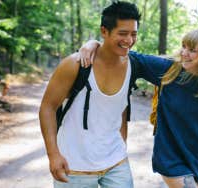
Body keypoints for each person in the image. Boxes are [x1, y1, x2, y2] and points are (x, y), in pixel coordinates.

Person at [79, 28, 198, 187]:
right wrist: (94, 44)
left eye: (192, 50)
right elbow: (130, 55)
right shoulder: (168, 70)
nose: (184, 53)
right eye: (183, 46)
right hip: (169, 154)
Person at [38, 1, 140, 188]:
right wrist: (53, 155)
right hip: (74, 165)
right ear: (104, 31)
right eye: (123, 33)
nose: (129, 40)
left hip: (116, 163)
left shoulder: (134, 65)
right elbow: (47, 107)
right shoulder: (75, 65)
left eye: (133, 34)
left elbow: (121, 108)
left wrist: (122, 145)